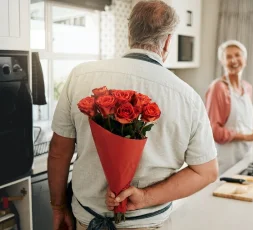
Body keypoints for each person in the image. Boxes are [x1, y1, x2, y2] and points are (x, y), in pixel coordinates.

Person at [48, 1, 218, 229]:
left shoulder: (81, 76)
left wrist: (58, 207)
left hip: (85, 221)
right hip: (148, 224)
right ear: (168, 41)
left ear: (130, 32)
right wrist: (145, 197)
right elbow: (206, 172)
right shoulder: (188, 97)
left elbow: (59, 152)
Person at [205, 40, 253, 175]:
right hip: (226, 162)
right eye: (228, 57)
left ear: (245, 59)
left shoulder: (247, 87)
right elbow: (214, 131)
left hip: (246, 158)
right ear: (222, 61)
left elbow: (243, 125)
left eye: (237, 55)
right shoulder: (218, 88)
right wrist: (248, 137)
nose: (234, 60)